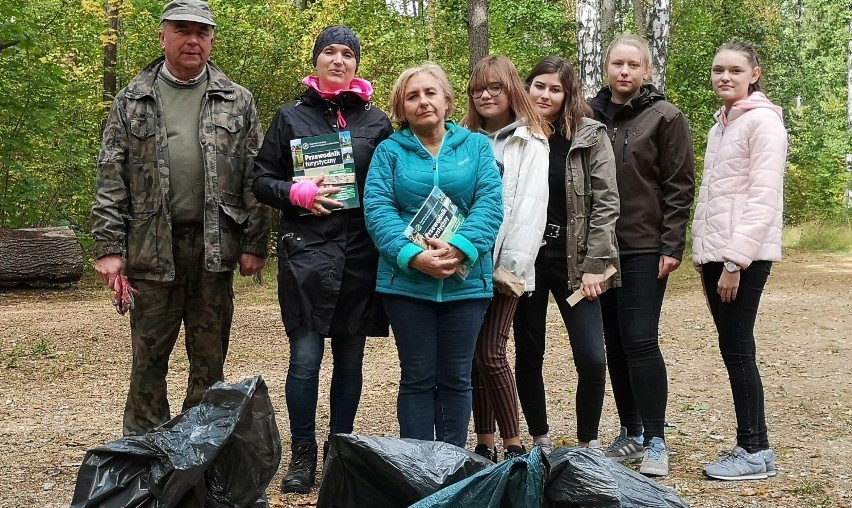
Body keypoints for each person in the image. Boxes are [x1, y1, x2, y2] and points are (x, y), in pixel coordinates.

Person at [91, 0, 269, 437]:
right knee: (147, 360)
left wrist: (254, 244)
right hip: (151, 248)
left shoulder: (237, 99)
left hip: (215, 247)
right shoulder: (132, 100)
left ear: (211, 40)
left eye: (202, 33)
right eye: (183, 30)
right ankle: (143, 457)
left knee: (210, 360)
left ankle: (200, 456)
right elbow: (111, 175)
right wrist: (109, 248)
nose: (193, 40)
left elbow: (256, 176)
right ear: (163, 37)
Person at [251, 26, 393, 494]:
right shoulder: (290, 117)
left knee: (350, 358)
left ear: (356, 63)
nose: (338, 60)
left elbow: (395, 182)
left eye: (346, 54)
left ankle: (340, 450)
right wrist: (294, 191)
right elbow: (260, 179)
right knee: (306, 358)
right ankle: (303, 454)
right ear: (316, 61)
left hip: (360, 254)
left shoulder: (376, 121)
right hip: (307, 254)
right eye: (328, 52)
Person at [363, 63, 503, 448]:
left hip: (467, 283)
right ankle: (417, 469)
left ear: (447, 100)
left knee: (457, 378)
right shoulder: (388, 152)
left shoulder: (475, 147)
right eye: (412, 96)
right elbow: (377, 210)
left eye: (430, 93)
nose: (423, 101)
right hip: (407, 284)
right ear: (401, 107)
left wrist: (460, 248)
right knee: (417, 377)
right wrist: (413, 256)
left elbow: (490, 202)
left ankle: (453, 467)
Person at [588, 34, 695, 476]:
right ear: (607, 67)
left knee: (640, 338)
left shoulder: (665, 116)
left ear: (646, 70)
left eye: (633, 65)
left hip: (645, 246)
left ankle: (655, 439)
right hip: (600, 249)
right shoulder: (588, 116)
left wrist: (672, 243)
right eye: (617, 64)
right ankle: (630, 432)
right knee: (614, 342)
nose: (625, 72)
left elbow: (679, 183)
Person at [513, 56, 619, 453]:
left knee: (593, 357)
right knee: (529, 350)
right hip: (527, 258)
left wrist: (597, 265)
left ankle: (587, 443)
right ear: (527, 88)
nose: (545, 94)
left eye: (555, 88)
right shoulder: (517, 134)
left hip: (575, 260)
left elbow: (606, 204)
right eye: (538, 85)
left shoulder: (590, 135)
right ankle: (539, 437)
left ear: (568, 94)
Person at [693, 41, 786, 481]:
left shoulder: (763, 123)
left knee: (738, 350)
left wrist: (733, 262)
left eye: (734, 70)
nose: (724, 77)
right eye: (717, 70)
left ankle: (755, 448)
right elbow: (715, 196)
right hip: (719, 254)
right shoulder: (721, 127)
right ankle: (755, 447)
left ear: (755, 74)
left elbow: (762, 198)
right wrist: (704, 255)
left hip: (741, 257)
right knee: (734, 349)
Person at [460, 56, 550, 462]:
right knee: (476, 354)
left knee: (492, 352)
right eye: (478, 88)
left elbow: (531, 211)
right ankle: (484, 441)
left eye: (494, 87)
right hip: (466, 263)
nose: (485, 95)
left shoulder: (530, 142)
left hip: (505, 267)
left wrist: (510, 268)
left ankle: (514, 445)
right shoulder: (461, 139)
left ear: (512, 89)